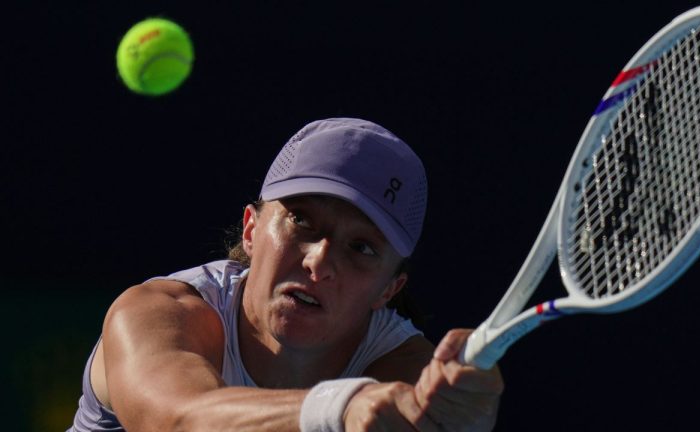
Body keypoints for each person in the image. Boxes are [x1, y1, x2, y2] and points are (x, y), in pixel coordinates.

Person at [69, 118, 504, 431]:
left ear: (389, 289)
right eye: (302, 221)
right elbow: (180, 419)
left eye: (362, 248)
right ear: (252, 229)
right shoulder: (156, 313)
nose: (320, 261)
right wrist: (340, 407)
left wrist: (459, 420)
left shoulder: (404, 371)